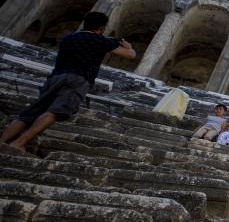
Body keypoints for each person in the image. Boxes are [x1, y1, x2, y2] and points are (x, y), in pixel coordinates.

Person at [1, 11, 135, 153]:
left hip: (56, 77)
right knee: (56, 111)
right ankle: (19, 143)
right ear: (102, 28)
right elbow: (131, 55)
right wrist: (128, 46)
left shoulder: (68, 38)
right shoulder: (100, 40)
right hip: (78, 78)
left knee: (30, 112)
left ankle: (2, 141)